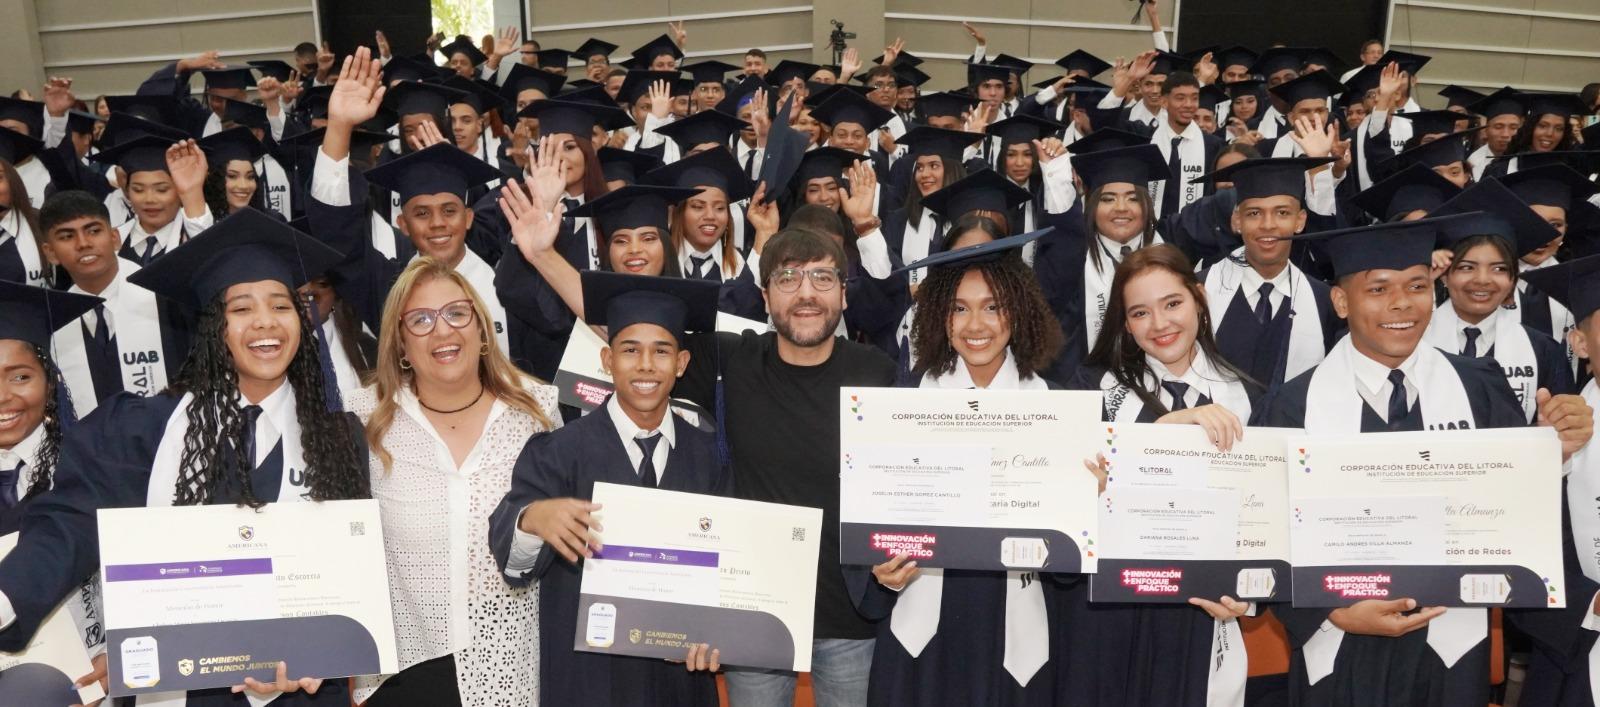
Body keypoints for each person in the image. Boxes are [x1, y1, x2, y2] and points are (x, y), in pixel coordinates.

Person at [0, 208, 370, 705]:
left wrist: (318, 652)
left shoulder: (338, 438)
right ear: (213, 328)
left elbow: (346, 571)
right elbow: (66, 528)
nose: (266, 322)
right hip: (182, 688)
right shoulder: (142, 430)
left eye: (281, 306)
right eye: (241, 308)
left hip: (300, 690)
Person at [1259, 214, 1594, 707]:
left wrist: (1547, 455)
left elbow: (1515, 515)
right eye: (1379, 288)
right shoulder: (1291, 404)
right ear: (1341, 301)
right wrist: (1328, 612)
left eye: (1417, 285)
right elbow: (1266, 530)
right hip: (1341, 638)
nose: (1402, 303)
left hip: (1451, 641)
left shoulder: (1480, 387)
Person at [671, 228, 900, 707]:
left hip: (851, 619)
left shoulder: (877, 373)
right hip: (755, 615)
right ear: (764, 294)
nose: (806, 293)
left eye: (821, 276)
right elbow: (624, 327)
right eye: (789, 278)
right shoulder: (733, 361)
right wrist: (542, 252)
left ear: (843, 290)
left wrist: (901, 555)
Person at [489, 271, 727, 706]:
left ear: (682, 363)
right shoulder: (560, 451)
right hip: (587, 681)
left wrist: (719, 635)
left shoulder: (708, 455)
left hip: (680, 681)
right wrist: (532, 519)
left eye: (662, 351)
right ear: (606, 359)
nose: (645, 365)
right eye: (629, 350)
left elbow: (729, 567)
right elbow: (513, 567)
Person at [348, 257, 559, 706]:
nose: (442, 331)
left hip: (510, 668)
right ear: (401, 344)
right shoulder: (365, 420)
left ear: (482, 330)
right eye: (420, 320)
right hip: (405, 676)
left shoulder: (537, 413)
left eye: (457, 313)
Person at [1059, 243, 1257, 706]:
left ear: (1199, 300)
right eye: (1140, 313)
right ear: (1126, 324)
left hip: (1198, 612)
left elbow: (1262, 518)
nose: (1160, 324)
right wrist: (1164, 430)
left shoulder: (1248, 396)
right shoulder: (1091, 391)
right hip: (1106, 613)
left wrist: (1246, 596)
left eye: (1173, 304)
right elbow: (1066, 503)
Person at [0, 281, 107, 705]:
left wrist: (125, 649)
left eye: (20, 376)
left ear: (50, 384)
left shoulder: (96, 467)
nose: (3, 396)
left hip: (99, 680)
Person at [1515, 254, 1600, 706]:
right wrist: (1592, 604)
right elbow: (1512, 552)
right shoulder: (1549, 435)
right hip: (1577, 653)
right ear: (1580, 344)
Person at [1195, 157, 1344, 389]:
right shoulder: (1197, 292)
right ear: (1237, 220)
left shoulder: (1323, 302)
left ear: (1300, 221)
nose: (1268, 224)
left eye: (1282, 213)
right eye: (1254, 213)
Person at [37, 191, 190, 414]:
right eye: (67, 236)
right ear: (50, 253)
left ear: (115, 237)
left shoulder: (167, 298)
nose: (83, 243)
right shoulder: (52, 322)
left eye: (94, 231)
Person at [1422, 205, 1575, 421]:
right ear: (1444, 277)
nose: (1483, 279)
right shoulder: (1413, 342)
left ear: (1513, 279)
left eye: (1499, 269)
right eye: (1467, 267)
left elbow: (1559, 432)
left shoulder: (1544, 350)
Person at [95, 116, 215, 264]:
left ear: (179, 191)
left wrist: (192, 191)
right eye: (138, 190)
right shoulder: (111, 242)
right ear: (127, 191)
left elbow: (208, 249)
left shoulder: (193, 239)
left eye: (162, 190)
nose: (149, 199)